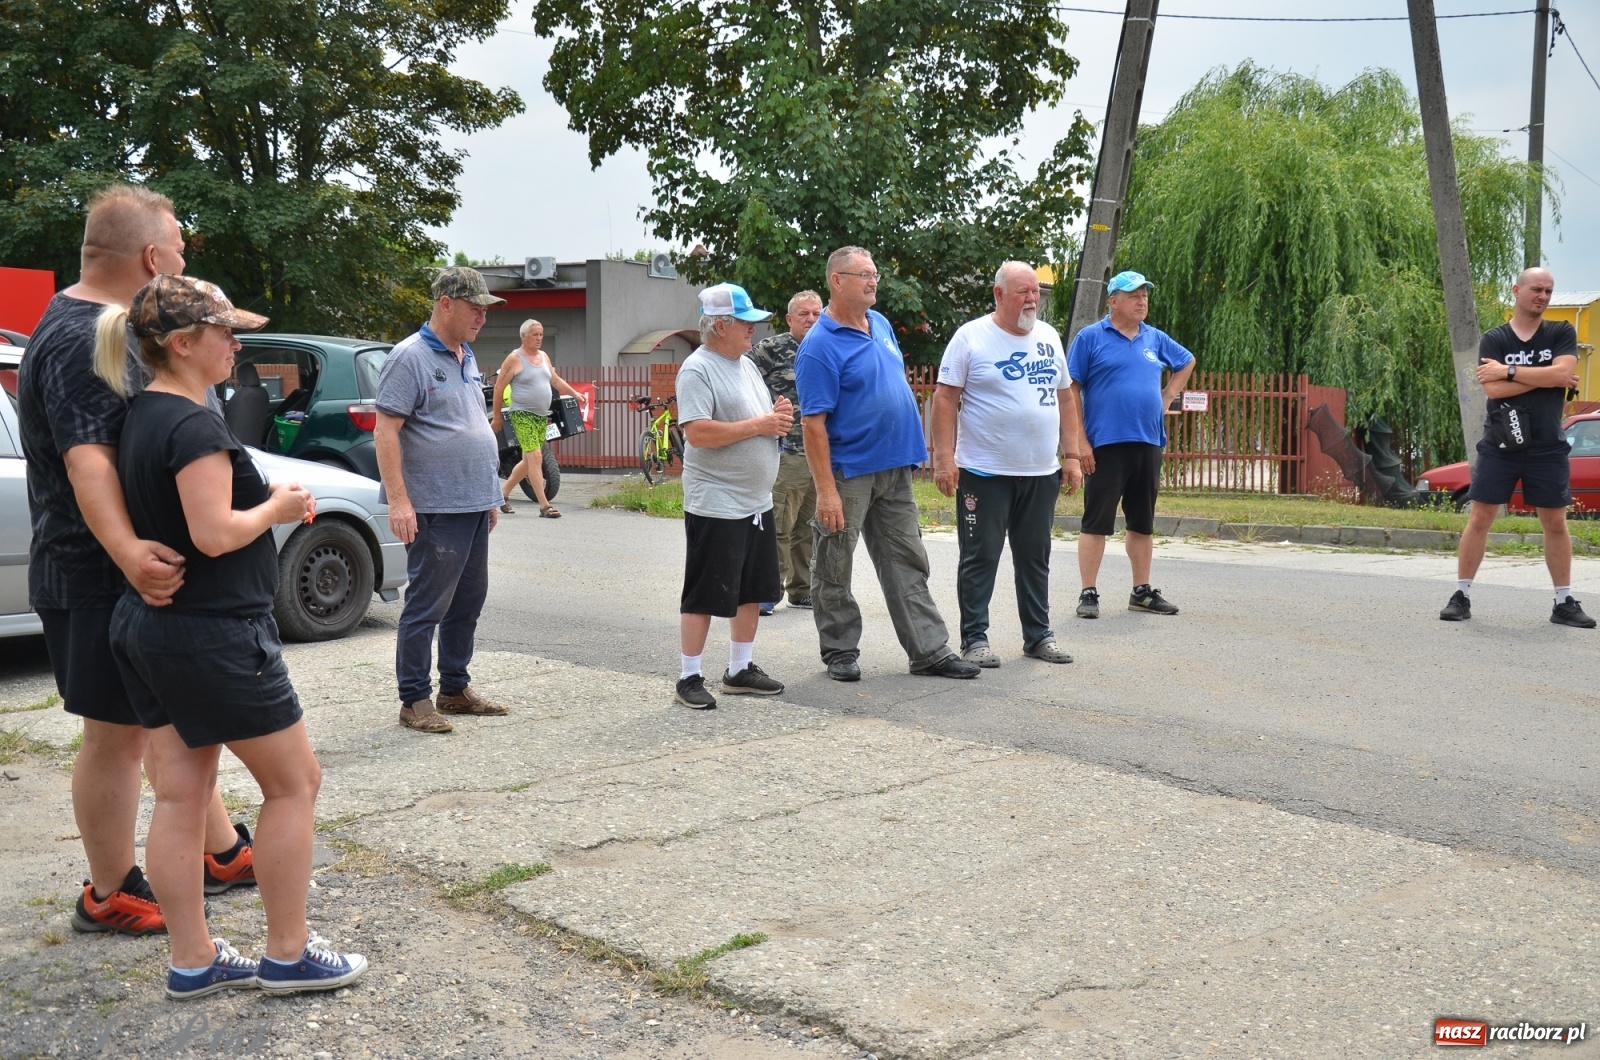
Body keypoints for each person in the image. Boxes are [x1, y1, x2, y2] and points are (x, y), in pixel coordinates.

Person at [100, 273, 366, 998]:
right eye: (224, 332)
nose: (236, 343)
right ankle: (287, 953)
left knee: (182, 794)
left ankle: (194, 960)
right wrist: (276, 506)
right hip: (214, 634)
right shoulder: (192, 425)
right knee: (294, 783)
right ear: (183, 345)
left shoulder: (144, 412)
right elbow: (214, 532)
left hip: (152, 628)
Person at [15, 184, 253, 939]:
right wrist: (126, 552)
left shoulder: (100, 322)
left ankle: (219, 854)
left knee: (170, 718)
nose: (184, 257)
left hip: (130, 572)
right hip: (93, 573)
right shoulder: (84, 337)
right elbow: (88, 464)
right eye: (178, 247)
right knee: (115, 734)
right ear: (151, 258)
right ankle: (109, 889)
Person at [794, 246, 979, 683]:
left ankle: (929, 650)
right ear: (837, 281)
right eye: (863, 274)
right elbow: (813, 425)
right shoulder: (819, 346)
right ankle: (839, 650)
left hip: (895, 468)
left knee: (906, 559)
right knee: (835, 563)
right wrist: (825, 491)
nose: (873, 281)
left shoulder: (879, 324)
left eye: (874, 273)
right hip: (849, 472)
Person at [375, 267, 510, 734]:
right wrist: (399, 502)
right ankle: (414, 700)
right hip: (435, 505)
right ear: (445, 303)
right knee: (428, 603)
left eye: (484, 309)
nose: (482, 317)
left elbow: (469, 425)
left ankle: (455, 688)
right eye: (475, 308)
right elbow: (386, 430)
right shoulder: (409, 357)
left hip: (472, 502)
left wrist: (489, 494)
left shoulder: (465, 354)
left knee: (468, 599)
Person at [931, 262, 1082, 667]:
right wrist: (944, 460)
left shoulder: (1049, 337)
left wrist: (1071, 455)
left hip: (1040, 471)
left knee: (1035, 556)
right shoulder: (972, 337)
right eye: (1022, 292)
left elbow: (1066, 397)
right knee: (981, 556)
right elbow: (944, 398)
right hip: (984, 472)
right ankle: (975, 639)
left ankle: (1038, 636)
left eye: (1035, 291)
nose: (1032, 299)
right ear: (998, 295)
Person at [1440, 267, 1593, 628]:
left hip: (1547, 446)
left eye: (1549, 291)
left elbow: (1561, 374)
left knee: (1555, 522)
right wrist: (1549, 378)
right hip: (1500, 444)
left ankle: (1563, 602)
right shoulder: (1495, 338)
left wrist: (1508, 372)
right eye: (1536, 289)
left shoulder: (1560, 332)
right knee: (1480, 518)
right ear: (1517, 290)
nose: (1542, 296)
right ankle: (1461, 595)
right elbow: (1492, 391)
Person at [672, 283, 791, 710]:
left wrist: (776, 418)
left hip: (754, 500)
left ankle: (740, 668)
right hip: (717, 500)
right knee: (706, 590)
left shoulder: (745, 365)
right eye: (746, 322)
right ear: (721, 325)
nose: (753, 330)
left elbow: (756, 420)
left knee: (751, 590)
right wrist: (760, 426)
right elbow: (698, 433)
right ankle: (689, 676)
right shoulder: (697, 369)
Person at [1067, 270, 1195, 619]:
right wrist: (1080, 442)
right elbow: (1071, 390)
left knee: (1142, 521)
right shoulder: (1091, 338)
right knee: (1096, 521)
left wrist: (1168, 394)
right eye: (1134, 295)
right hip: (1105, 444)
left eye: (1145, 295)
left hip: (1148, 441)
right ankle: (1088, 592)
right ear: (1114, 301)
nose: (1142, 301)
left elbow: (1186, 361)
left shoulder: (1153, 338)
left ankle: (1141, 591)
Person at [748, 290, 823, 613]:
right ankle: (768, 591)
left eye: (816, 314)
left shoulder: (830, 347)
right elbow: (742, 381)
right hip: (786, 450)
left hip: (821, 452)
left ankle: (802, 589)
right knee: (779, 524)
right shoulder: (770, 349)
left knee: (809, 526)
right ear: (790, 319)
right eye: (803, 314)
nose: (810, 319)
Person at [490, 318, 587, 518]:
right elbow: (499, 387)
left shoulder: (543, 356)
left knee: (528, 461)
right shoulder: (514, 358)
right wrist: (497, 417)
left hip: (540, 416)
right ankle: (544, 505)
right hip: (522, 414)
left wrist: (575, 394)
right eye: (535, 334)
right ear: (523, 336)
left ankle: (502, 494)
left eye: (541, 334)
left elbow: (555, 379)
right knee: (535, 456)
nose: (539, 338)